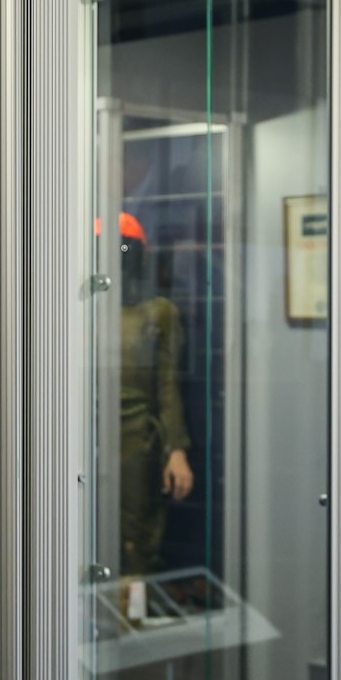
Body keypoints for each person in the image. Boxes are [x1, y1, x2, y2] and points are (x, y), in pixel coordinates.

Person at [114, 212, 192, 575]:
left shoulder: (158, 312)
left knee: (136, 528)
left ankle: (131, 615)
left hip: (137, 436)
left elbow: (167, 384)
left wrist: (176, 450)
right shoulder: (82, 309)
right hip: (89, 429)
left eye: (127, 249)